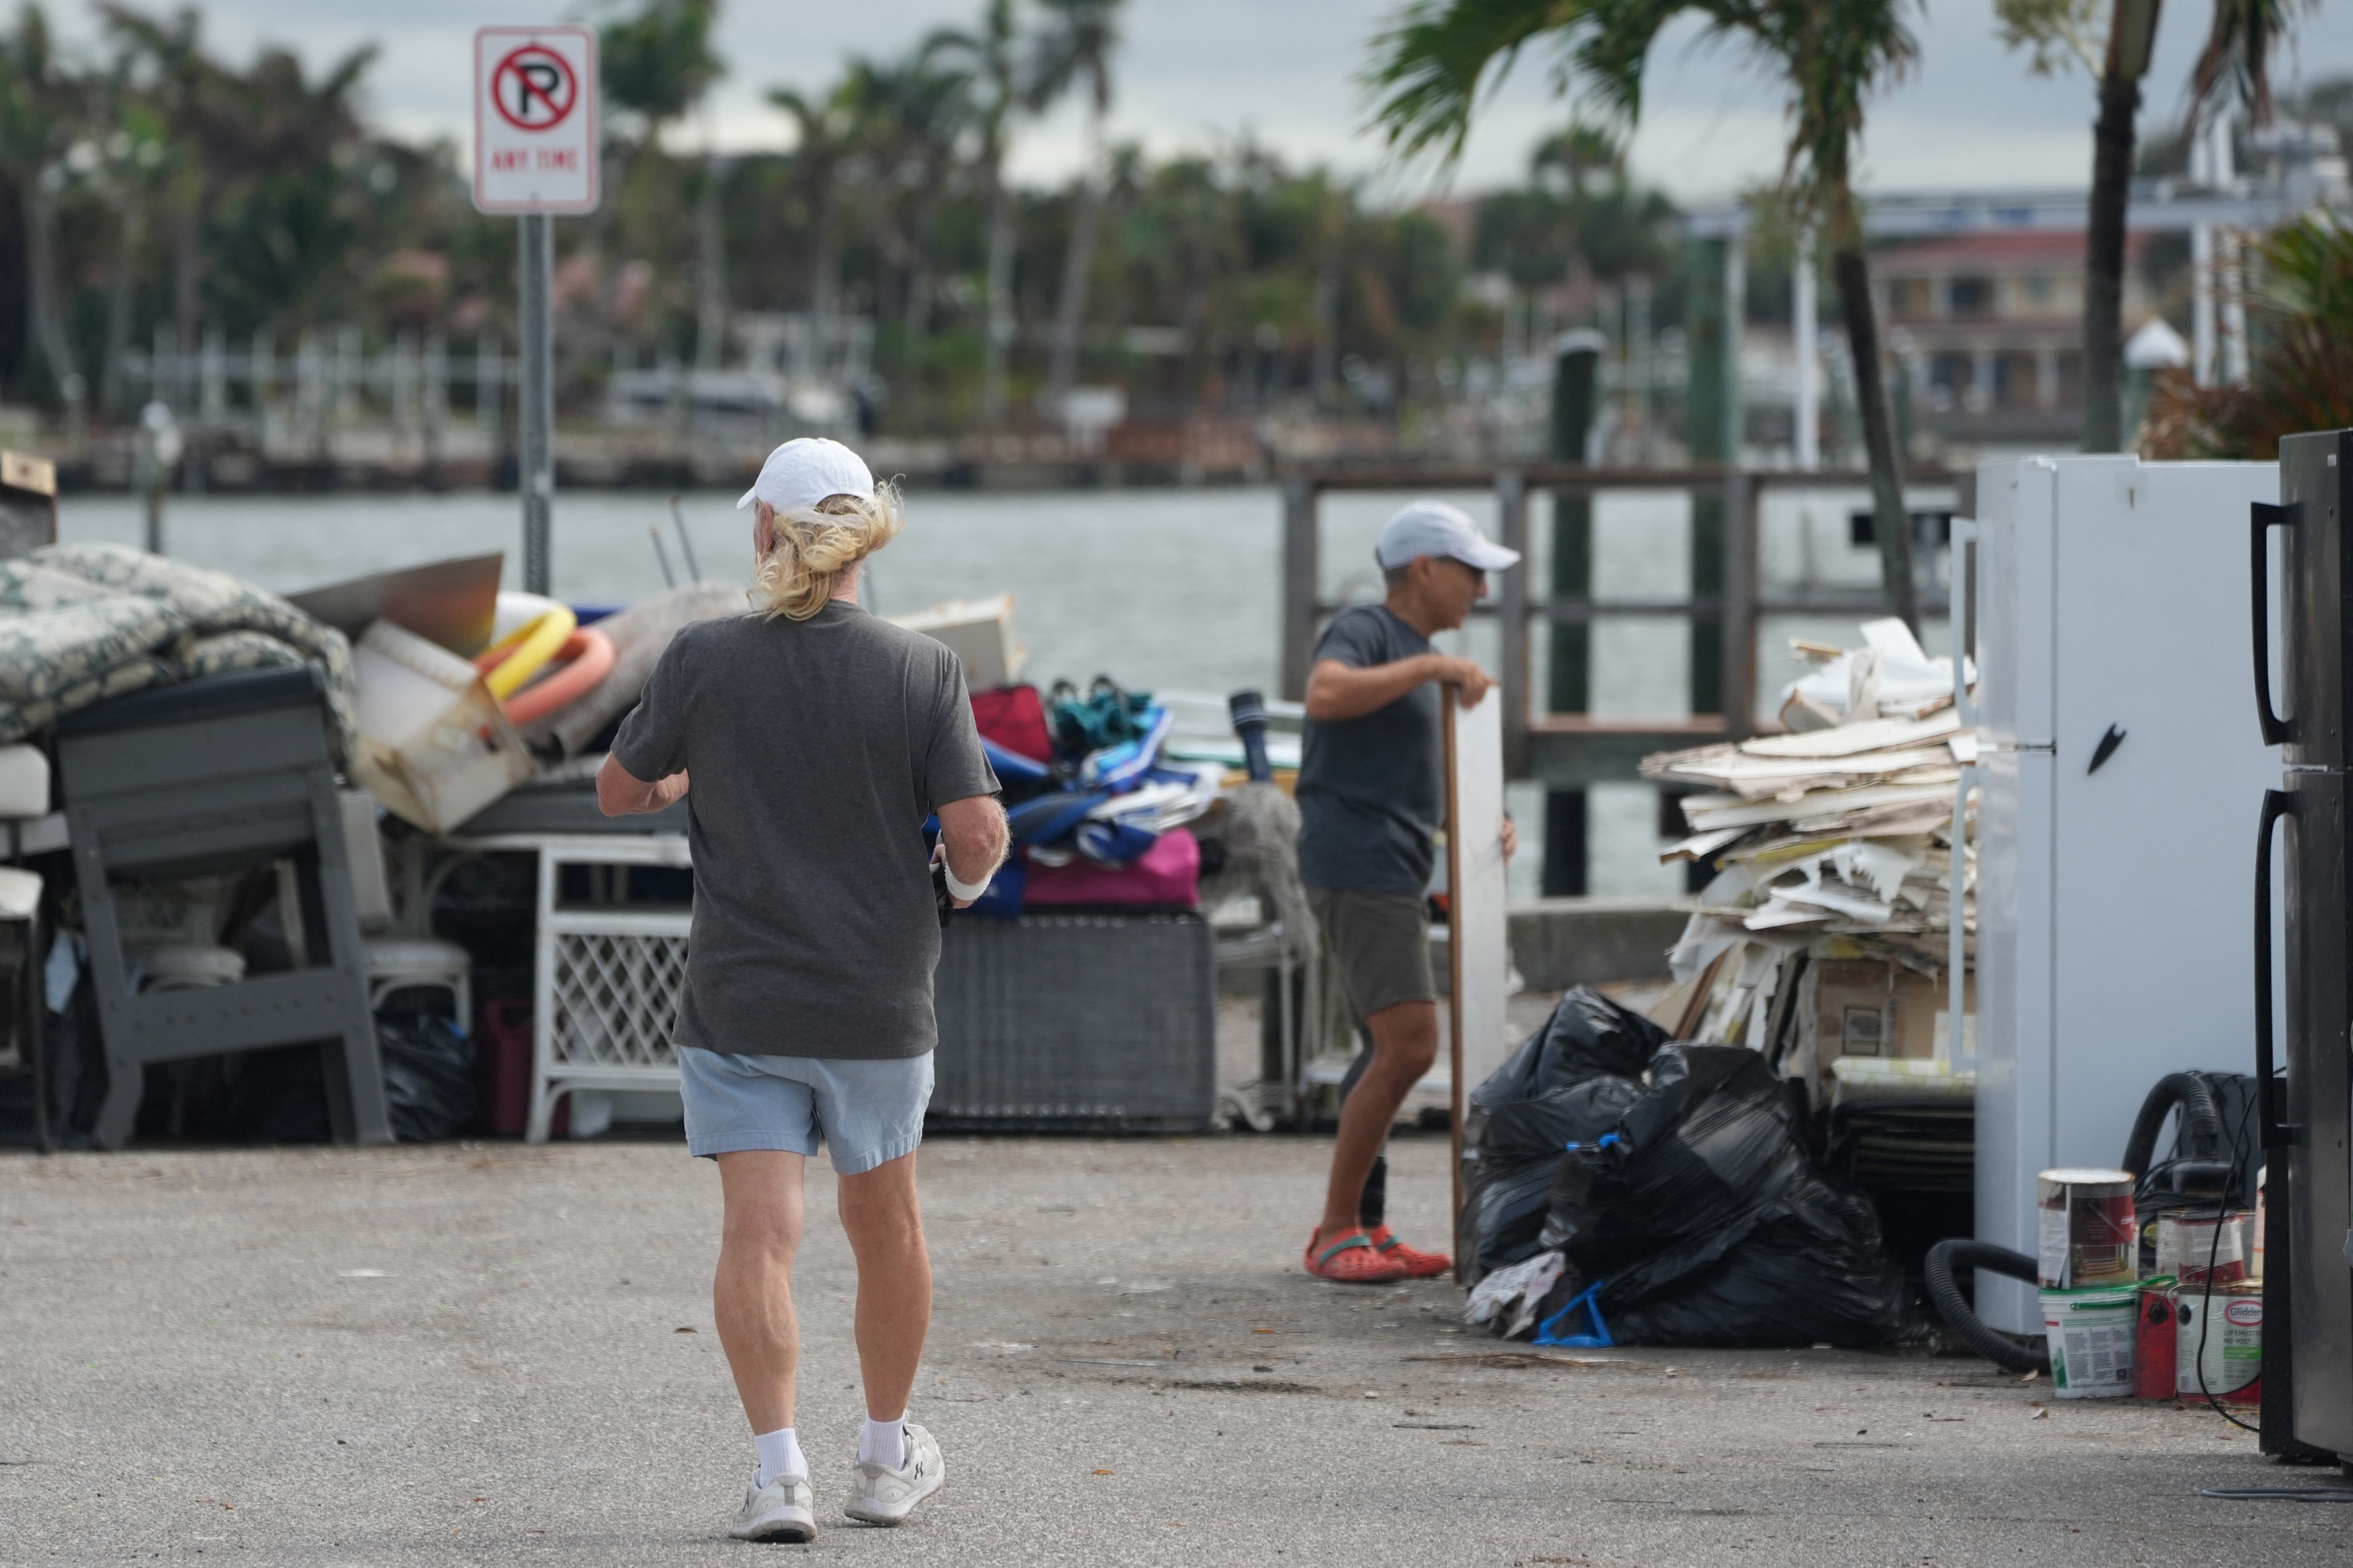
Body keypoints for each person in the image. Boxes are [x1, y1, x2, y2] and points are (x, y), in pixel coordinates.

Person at [598, 437, 1008, 1541]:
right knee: (888, 1228)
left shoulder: (700, 659)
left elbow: (616, 790)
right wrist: (966, 882)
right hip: (878, 1001)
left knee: (758, 1238)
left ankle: (780, 1475)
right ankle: (882, 1458)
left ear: (768, 532)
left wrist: (680, 781)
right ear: (863, 534)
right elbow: (974, 832)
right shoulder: (923, 670)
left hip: (739, 1003)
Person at [1295, 498, 1518, 1284]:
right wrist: (1429, 667)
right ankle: (1334, 1231)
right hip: (1358, 867)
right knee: (1412, 1043)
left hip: (1391, 866)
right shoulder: (1368, 631)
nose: (1480, 594)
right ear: (1423, 568)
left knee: (1380, 1048)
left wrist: (1480, 820)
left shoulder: (1412, 650)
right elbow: (1323, 694)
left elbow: (1410, 772)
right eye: (1471, 574)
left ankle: (1368, 1224)